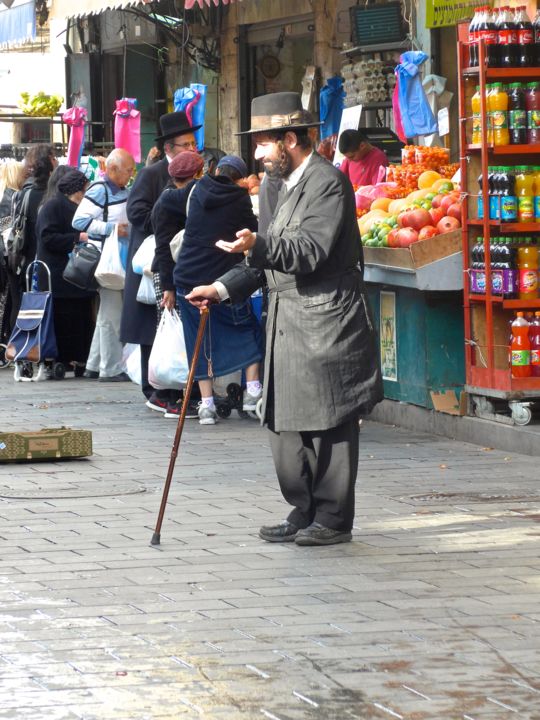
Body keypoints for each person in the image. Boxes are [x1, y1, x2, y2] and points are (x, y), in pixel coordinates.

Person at [186, 92, 383, 545]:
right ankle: (304, 508)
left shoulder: (328, 183)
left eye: (263, 144)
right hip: (284, 317)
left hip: (326, 316)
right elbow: (265, 258)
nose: (256, 154)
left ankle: (333, 519)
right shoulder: (275, 187)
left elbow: (308, 252)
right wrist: (220, 288)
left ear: (289, 140)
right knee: (285, 423)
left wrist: (256, 244)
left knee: (328, 420)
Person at [175, 154, 262, 426]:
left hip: (187, 277)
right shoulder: (239, 198)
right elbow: (252, 232)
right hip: (221, 281)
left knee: (197, 341)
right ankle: (253, 392)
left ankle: (207, 406)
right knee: (247, 329)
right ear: (239, 179)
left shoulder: (198, 189)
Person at [121, 111, 201, 402]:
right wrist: (166, 220)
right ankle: (153, 388)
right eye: (185, 145)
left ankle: (180, 383)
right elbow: (136, 212)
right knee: (151, 328)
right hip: (154, 261)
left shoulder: (198, 172)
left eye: (194, 143)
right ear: (169, 148)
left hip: (184, 259)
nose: (192, 149)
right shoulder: (151, 174)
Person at [72, 148, 135, 382]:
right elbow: (78, 221)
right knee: (112, 314)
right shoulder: (100, 190)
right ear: (113, 169)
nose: (131, 174)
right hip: (107, 259)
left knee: (107, 313)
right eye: (128, 170)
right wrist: (112, 229)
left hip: (115, 258)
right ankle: (111, 368)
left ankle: (94, 364)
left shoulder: (118, 188)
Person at [36, 169, 96, 374]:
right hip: (59, 274)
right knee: (63, 317)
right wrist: (77, 238)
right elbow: (47, 237)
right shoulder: (52, 207)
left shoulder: (80, 207)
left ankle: (79, 358)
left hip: (78, 274)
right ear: (76, 189)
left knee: (80, 317)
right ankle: (62, 357)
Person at [6, 144, 57, 330]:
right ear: (47, 162)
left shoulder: (23, 193)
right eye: (53, 157)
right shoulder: (48, 195)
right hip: (35, 259)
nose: (57, 161)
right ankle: (31, 350)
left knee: (21, 305)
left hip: (21, 258)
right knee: (34, 306)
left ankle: (18, 350)